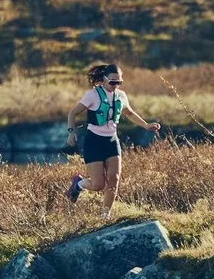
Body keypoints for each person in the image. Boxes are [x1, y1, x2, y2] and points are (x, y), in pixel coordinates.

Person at [65, 61, 159, 214]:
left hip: (111, 141)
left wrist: (146, 125)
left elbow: (128, 113)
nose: (116, 85)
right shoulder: (93, 95)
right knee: (98, 184)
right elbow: (72, 113)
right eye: (113, 82)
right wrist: (71, 131)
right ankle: (79, 184)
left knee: (114, 180)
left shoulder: (121, 96)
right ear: (104, 79)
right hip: (93, 141)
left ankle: (105, 216)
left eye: (119, 82)